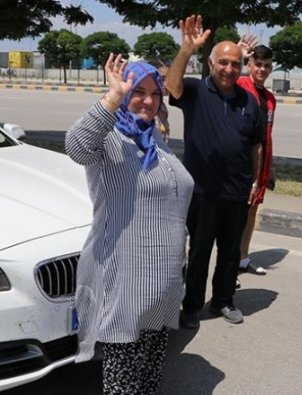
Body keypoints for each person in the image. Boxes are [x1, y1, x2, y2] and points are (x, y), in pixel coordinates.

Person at [66, 54, 194, 394]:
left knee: (149, 378)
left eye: (155, 93)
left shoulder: (154, 142)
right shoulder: (110, 141)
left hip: (161, 283)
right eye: (139, 91)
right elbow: (76, 146)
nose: (149, 100)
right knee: (123, 383)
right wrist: (112, 96)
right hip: (126, 284)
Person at [165, 15, 264, 327]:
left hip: (236, 190)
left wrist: (255, 180)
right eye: (223, 63)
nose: (229, 69)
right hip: (203, 190)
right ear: (210, 63)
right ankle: (192, 306)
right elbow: (172, 85)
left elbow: (255, 145)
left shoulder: (249, 101)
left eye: (235, 64)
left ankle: (223, 300)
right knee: (199, 252)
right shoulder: (195, 91)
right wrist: (186, 50)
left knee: (231, 253)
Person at [236, 34, 277, 277]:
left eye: (266, 65)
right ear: (250, 65)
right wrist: (239, 54)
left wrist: (268, 169)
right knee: (235, 212)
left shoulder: (270, 99)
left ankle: (242, 256)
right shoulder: (241, 86)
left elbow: (267, 136)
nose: (262, 69)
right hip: (239, 163)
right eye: (257, 64)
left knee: (252, 211)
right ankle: (228, 262)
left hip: (260, 165)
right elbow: (217, 79)